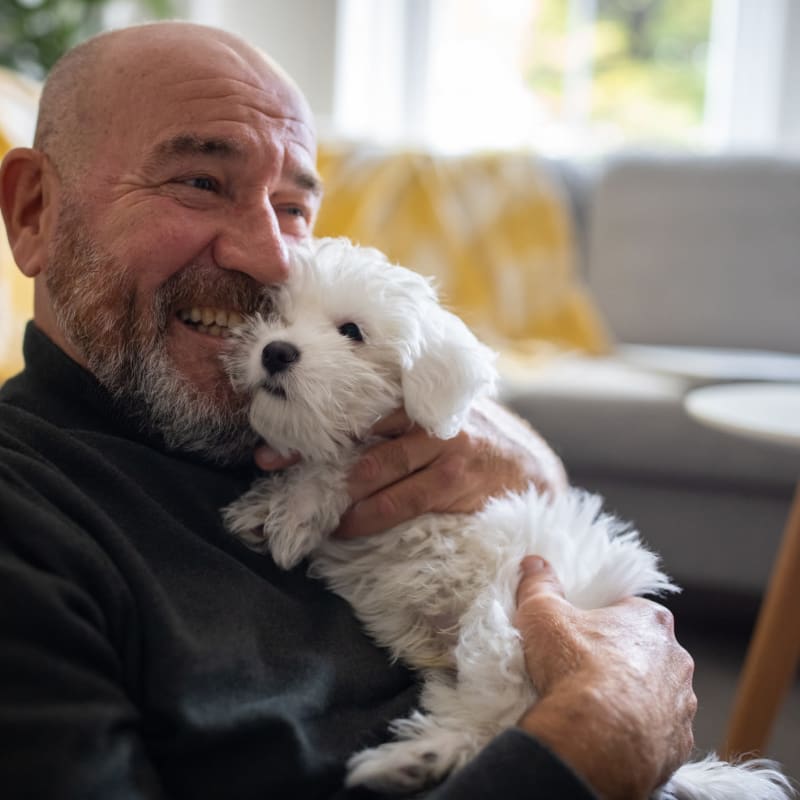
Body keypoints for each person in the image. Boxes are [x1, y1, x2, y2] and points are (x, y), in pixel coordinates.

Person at [0, 21, 696, 799]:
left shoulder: (326, 420)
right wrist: (597, 743)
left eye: (295, 207)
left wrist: (531, 465)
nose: (271, 257)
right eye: (201, 182)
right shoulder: (31, 524)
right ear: (34, 212)